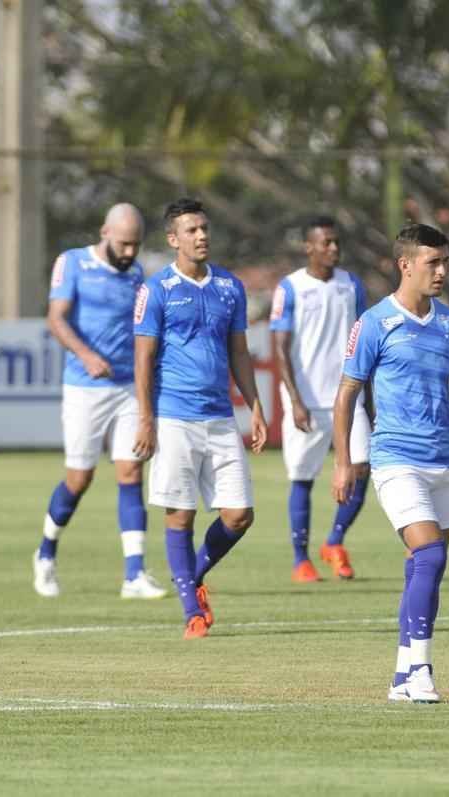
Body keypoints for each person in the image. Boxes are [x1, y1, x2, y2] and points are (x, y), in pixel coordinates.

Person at [331, 223, 449, 703]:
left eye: (446, 261)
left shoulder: (448, 322)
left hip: (443, 459)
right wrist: (344, 462)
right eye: (434, 262)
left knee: (425, 566)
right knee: (429, 554)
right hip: (395, 459)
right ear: (405, 265)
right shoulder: (373, 323)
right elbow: (346, 396)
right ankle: (423, 669)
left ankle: (402, 675)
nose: (443, 271)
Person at [133, 198, 268, 639]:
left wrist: (256, 405)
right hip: (174, 418)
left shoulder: (230, 286)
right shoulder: (156, 290)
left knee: (239, 515)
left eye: (204, 228)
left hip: (220, 417)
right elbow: (144, 359)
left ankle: (192, 577)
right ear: (173, 239)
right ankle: (192, 611)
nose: (201, 236)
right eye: (191, 230)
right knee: (180, 517)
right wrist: (146, 419)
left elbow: (239, 352)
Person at [32, 203, 167, 600]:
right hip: (84, 388)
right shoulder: (72, 263)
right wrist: (86, 355)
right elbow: (56, 318)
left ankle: (134, 574)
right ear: (105, 232)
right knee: (80, 478)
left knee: (130, 473)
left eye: (136, 246)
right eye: (124, 244)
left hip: (127, 387)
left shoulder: (137, 274)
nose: (129, 253)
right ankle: (45, 553)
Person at [270, 216, 372, 582]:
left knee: (362, 468)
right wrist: (294, 399)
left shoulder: (351, 285)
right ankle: (301, 559)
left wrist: (370, 399)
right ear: (308, 246)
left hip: (347, 396)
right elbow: (279, 348)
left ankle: (334, 541)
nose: (333, 248)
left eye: (336, 242)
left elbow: (364, 342)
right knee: (303, 477)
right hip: (308, 400)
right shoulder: (291, 288)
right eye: (326, 242)